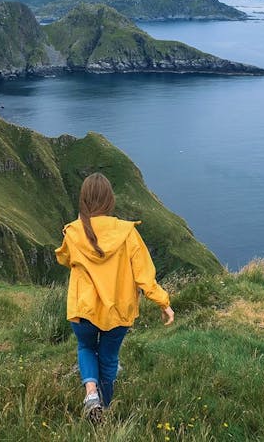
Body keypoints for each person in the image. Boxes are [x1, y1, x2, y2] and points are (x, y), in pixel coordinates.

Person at [55, 172, 175, 422]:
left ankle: (91, 393)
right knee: (109, 358)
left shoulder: (74, 232)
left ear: (84, 200)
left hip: (83, 308)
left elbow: (64, 259)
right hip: (118, 311)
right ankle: (105, 407)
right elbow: (144, 276)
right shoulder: (127, 233)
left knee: (86, 346)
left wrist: (79, 225)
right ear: (110, 200)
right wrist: (164, 303)